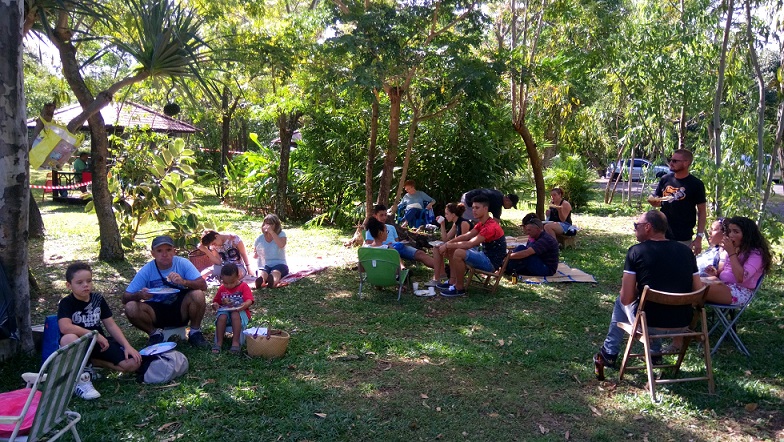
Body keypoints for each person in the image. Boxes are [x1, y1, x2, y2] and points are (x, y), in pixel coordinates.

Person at [593, 210, 702, 378]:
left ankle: (609, 353)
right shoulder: (686, 252)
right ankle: (654, 353)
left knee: (621, 301)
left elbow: (626, 298)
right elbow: (698, 292)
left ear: (648, 227)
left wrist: (638, 290)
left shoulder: (636, 252)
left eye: (636, 225)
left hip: (649, 324)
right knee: (650, 302)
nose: (634, 229)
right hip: (682, 323)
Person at [59, 262, 142, 400]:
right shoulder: (66, 302)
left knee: (134, 363)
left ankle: (92, 363)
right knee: (68, 338)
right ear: (69, 285)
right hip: (79, 344)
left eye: (89, 281)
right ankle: (81, 377)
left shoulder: (98, 299)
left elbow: (111, 325)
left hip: (99, 344)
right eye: (79, 282)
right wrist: (93, 335)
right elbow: (65, 327)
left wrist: (127, 346)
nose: (85, 285)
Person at [123, 235, 209, 348]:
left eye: (168, 250)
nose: (164, 254)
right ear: (153, 253)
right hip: (156, 311)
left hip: (181, 308)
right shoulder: (147, 270)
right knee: (130, 307)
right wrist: (140, 295)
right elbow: (125, 297)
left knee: (198, 294)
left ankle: (195, 332)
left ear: (174, 251)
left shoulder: (182, 263)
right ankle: (154, 334)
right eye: (159, 251)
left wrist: (184, 282)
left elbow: (203, 285)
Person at [430, 195, 507, 297]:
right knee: (454, 249)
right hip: (484, 255)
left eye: (477, 208)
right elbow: (467, 236)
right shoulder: (482, 223)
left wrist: (448, 244)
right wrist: (448, 244)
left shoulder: (490, 226)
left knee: (458, 252)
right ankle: (452, 281)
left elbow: (470, 243)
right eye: (473, 208)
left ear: (486, 209)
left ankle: (459, 288)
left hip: (490, 263)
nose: (474, 210)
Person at [648, 149, 707, 255]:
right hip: (661, 232)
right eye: (671, 160)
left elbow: (702, 212)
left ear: (686, 163)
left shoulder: (696, 184)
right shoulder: (665, 179)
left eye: (675, 161)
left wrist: (699, 237)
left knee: (679, 267)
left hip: (683, 235)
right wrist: (653, 200)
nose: (671, 163)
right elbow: (656, 196)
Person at [702, 216, 771, 306]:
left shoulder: (756, 254)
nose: (731, 235)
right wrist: (714, 273)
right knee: (690, 281)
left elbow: (741, 278)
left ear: (747, 235)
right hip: (723, 285)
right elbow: (725, 272)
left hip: (740, 292)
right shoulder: (735, 249)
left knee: (697, 287)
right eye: (730, 231)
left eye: (736, 232)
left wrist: (731, 253)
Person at [364, 204, 435, 268]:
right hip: (386, 251)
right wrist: (386, 246)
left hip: (397, 247)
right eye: (381, 215)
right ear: (375, 216)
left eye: (385, 215)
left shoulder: (391, 227)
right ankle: (402, 271)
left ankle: (440, 269)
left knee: (420, 253)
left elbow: (396, 241)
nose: (384, 217)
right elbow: (371, 246)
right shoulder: (372, 229)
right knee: (394, 252)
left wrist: (400, 243)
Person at [211, 263, 254, 354]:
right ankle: (219, 342)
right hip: (225, 313)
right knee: (221, 316)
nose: (229, 286)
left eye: (232, 282)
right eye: (225, 283)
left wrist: (244, 305)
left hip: (240, 314)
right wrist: (215, 305)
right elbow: (216, 301)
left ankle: (235, 342)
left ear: (238, 276)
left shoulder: (243, 286)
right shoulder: (222, 288)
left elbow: (249, 300)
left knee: (235, 314)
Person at [254, 214, 289, 289]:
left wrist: (272, 233)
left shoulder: (281, 234)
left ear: (276, 225)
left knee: (276, 272)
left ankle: (272, 282)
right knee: (262, 272)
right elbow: (255, 254)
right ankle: (261, 281)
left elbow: (281, 245)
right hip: (265, 264)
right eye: (266, 223)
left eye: (271, 224)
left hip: (279, 263)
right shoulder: (259, 238)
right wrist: (256, 254)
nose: (268, 225)